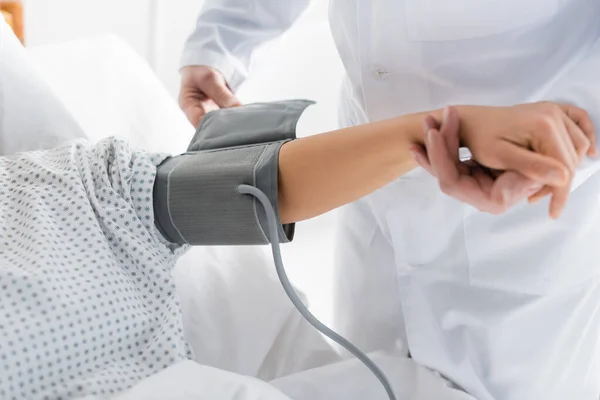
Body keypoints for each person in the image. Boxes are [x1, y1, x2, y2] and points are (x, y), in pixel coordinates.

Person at [0, 14, 595, 399]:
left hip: (530, 205)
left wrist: (459, 129)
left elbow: (238, 190)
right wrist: (222, 38)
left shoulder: (57, 188)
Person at [179, 1, 600, 399]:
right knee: (366, 365)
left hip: (526, 205)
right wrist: (224, 39)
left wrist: (569, 128)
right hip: (371, 163)